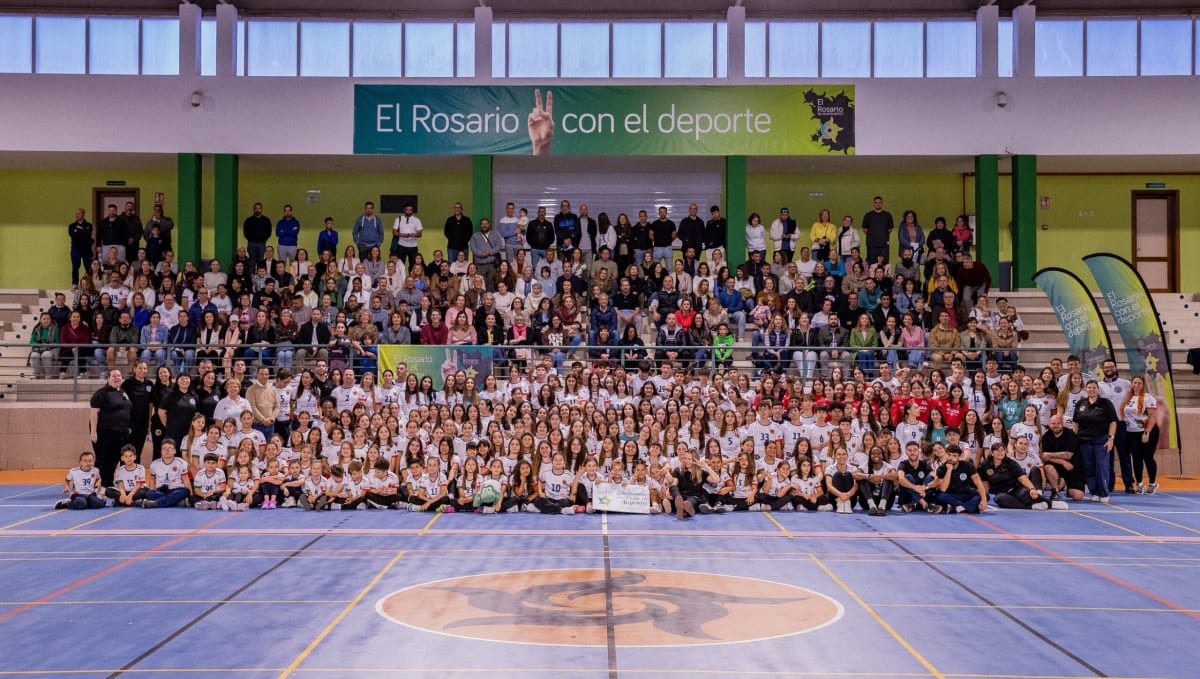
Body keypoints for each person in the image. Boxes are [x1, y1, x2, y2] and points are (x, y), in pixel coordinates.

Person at [1073, 380, 1118, 503]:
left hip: (1101, 441)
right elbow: (1076, 423)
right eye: (1089, 387)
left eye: (1094, 387)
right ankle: (1094, 492)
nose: (1091, 390)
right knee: (1089, 468)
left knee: (1101, 466)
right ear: (1085, 389)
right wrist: (1076, 439)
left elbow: (1113, 422)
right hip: (1084, 442)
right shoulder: (1081, 404)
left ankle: (1104, 493)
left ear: (1098, 389)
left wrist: (1111, 438)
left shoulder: (1105, 403)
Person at [90, 369, 133, 487]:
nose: (116, 378)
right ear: (108, 379)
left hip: (120, 434)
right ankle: (97, 485)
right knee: (103, 460)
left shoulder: (123, 392)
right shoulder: (101, 393)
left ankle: (108, 484)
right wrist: (93, 432)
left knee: (114, 460)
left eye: (119, 376)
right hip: (105, 433)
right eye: (113, 376)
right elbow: (94, 413)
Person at [1121, 376, 1159, 495]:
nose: (1136, 385)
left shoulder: (1148, 398)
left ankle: (1152, 483)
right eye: (1134, 383)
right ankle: (1139, 483)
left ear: (1143, 385)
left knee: (1147, 457)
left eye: (1139, 383)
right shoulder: (1127, 398)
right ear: (1131, 384)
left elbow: (1152, 417)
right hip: (1131, 432)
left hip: (1147, 431)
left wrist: (1147, 432)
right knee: (1136, 459)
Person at [861, 196, 894, 264]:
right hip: (872, 245)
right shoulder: (868, 215)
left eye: (879, 202)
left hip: (884, 245)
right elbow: (865, 229)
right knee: (871, 264)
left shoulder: (887, 215)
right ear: (873, 204)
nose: (878, 204)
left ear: (882, 204)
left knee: (884, 263)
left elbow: (890, 229)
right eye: (876, 203)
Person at [469, 217, 501, 283]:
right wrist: (481, 254)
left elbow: (498, 246)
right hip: (479, 264)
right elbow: (472, 247)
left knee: (491, 283)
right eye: (482, 224)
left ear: (489, 225)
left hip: (492, 264)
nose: (484, 225)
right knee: (480, 283)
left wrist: (489, 252)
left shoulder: (495, 235)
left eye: (486, 224)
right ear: (480, 225)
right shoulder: (475, 236)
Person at [68, 208, 94, 287]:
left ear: (83, 214)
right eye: (76, 214)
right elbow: (73, 235)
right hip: (75, 249)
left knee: (88, 267)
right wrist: (83, 233)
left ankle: (90, 283)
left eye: (79, 213)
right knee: (75, 267)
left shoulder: (89, 225)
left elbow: (88, 235)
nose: (77, 215)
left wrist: (79, 233)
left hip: (86, 250)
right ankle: (75, 284)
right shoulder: (72, 226)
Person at [242, 202, 271, 268]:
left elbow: (269, 232)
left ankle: (260, 276)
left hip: (261, 244)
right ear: (253, 210)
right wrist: (251, 239)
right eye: (256, 208)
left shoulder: (266, 220)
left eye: (259, 208)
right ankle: (251, 276)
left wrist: (264, 239)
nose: (257, 210)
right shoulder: (248, 220)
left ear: (261, 209)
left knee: (261, 261)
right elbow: (245, 232)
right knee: (252, 261)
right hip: (251, 243)